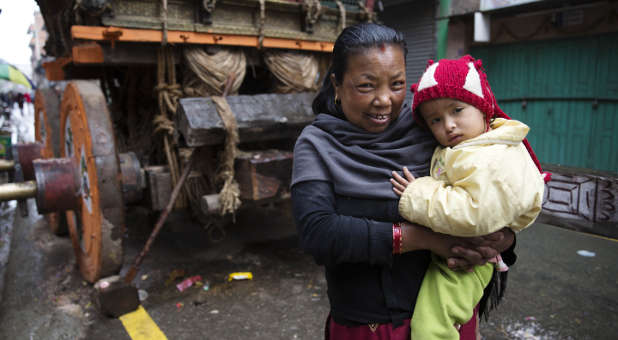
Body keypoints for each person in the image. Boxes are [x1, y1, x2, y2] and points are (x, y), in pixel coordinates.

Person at [291, 23, 516, 340]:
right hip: (368, 325)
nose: (384, 100)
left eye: (396, 84)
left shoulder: (431, 129)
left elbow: (494, 194)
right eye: (366, 86)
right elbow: (318, 233)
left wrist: (499, 239)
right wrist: (424, 238)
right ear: (337, 85)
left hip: (449, 316)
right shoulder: (316, 144)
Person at [390, 55, 547, 340]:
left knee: (431, 329)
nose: (448, 125)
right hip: (456, 251)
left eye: (457, 110)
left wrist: (417, 195)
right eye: (435, 120)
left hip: (467, 260)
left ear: (483, 107)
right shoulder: (472, 146)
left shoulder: (492, 156)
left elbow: (473, 213)